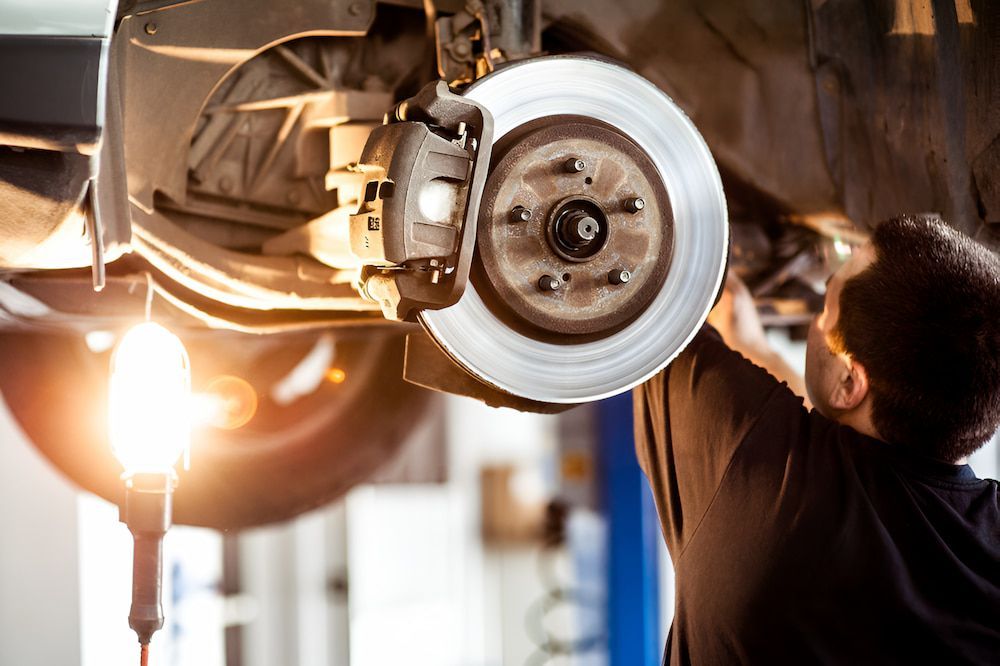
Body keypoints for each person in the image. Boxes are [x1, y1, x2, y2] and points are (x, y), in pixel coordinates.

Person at [634, 215, 1000, 664]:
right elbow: (822, 440)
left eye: (825, 307)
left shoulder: (753, 469)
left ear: (851, 383)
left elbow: (641, 293)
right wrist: (751, 344)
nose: (816, 319)